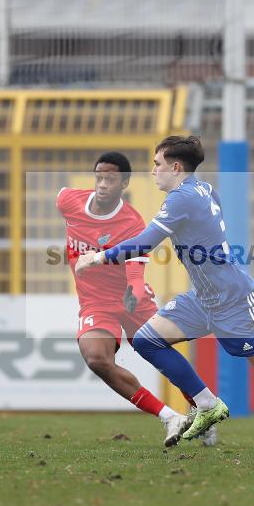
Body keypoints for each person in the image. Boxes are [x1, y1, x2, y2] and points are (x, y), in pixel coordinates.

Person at [75, 135, 254, 461]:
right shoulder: (201, 189)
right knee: (147, 340)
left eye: (157, 164)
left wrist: (98, 258)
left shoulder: (181, 199)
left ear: (175, 167)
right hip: (203, 298)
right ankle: (207, 404)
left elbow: (145, 243)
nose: (153, 171)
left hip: (235, 300)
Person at [58, 151, 214, 447]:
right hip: (95, 302)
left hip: (133, 300)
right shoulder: (68, 200)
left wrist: (134, 291)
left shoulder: (131, 222)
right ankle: (170, 417)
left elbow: (135, 270)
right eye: (99, 177)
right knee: (95, 359)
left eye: (111, 179)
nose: (103, 184)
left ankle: (203, 410)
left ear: (124, 183)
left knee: (162, 355)